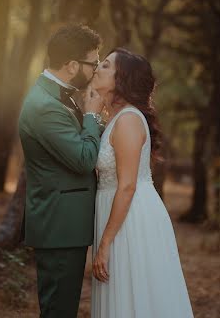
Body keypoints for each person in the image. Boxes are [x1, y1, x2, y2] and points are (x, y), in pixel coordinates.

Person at [90, 48, 194, 318]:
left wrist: (104, 244)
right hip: (116, 212)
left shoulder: (128, 121)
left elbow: (127, 186)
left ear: (121, 78)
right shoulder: (114, 118)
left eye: (105, 65)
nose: (97, 68)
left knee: (135, 294)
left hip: (130, 219)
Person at [17, 24, 106, 318]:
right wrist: (92, 115)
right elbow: (82, 159)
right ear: (71, 66)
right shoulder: (44, 106)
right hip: (59, 226)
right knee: (59, 311)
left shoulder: (58, 96)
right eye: (93, 63)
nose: (96, 70)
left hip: (66, 224)